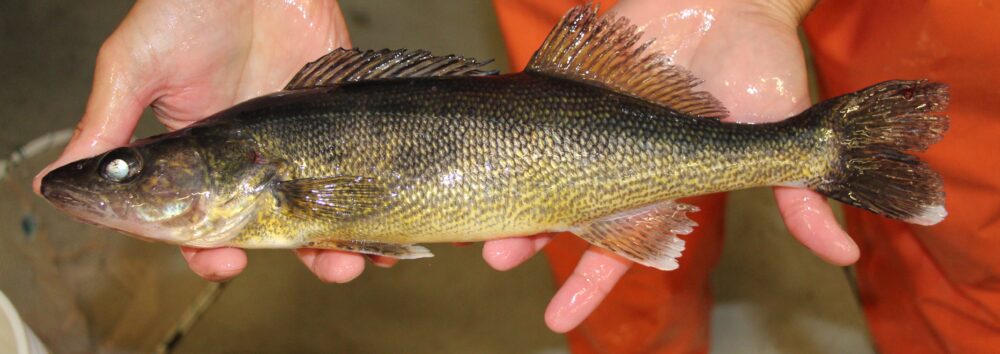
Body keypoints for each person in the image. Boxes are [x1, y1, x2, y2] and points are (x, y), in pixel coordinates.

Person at [34, 0, 999, 352]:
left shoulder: (269, 160)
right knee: (623, 314)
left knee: (975, 253)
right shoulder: (261, 159)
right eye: (130, 172)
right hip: (569, 86)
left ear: (224, 166)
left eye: (130, 170)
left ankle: (825, 148)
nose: (116, 183)